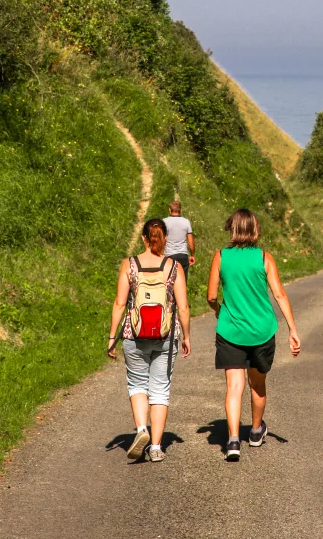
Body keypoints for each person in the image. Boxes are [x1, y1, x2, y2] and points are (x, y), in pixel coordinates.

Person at [207, 208, 301, 461]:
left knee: (234, 387)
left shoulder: (221, 256)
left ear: (232, 228)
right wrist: (292, 329)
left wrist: (219, 311)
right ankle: (256, 431)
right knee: (257, 385)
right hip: (262, 331)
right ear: (255, 230)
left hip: (230, 330)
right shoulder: (264, 258)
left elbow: (211, 296)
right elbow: (279, 294)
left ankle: (233, 440)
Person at [108, 218, 190, 462]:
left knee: (137, 384)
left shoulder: (130, 264)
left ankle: (142, 429)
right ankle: (155, 447)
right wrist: (186, 336)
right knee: (160, 390)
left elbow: (120, 303)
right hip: (166, 334)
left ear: (143, 238)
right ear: (165, 238)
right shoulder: (174, 267)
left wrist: (112, 337)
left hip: (134, 334)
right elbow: (183, 307)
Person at [163, 198, 195, 281]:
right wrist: (192, 255)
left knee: (170, 282)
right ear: (181, 210)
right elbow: (191, 242)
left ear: (169, 210)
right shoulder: (186, 222)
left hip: (169, 255)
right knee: (182, 282)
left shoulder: (164, 222)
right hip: (183, 255)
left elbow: (162, 240)